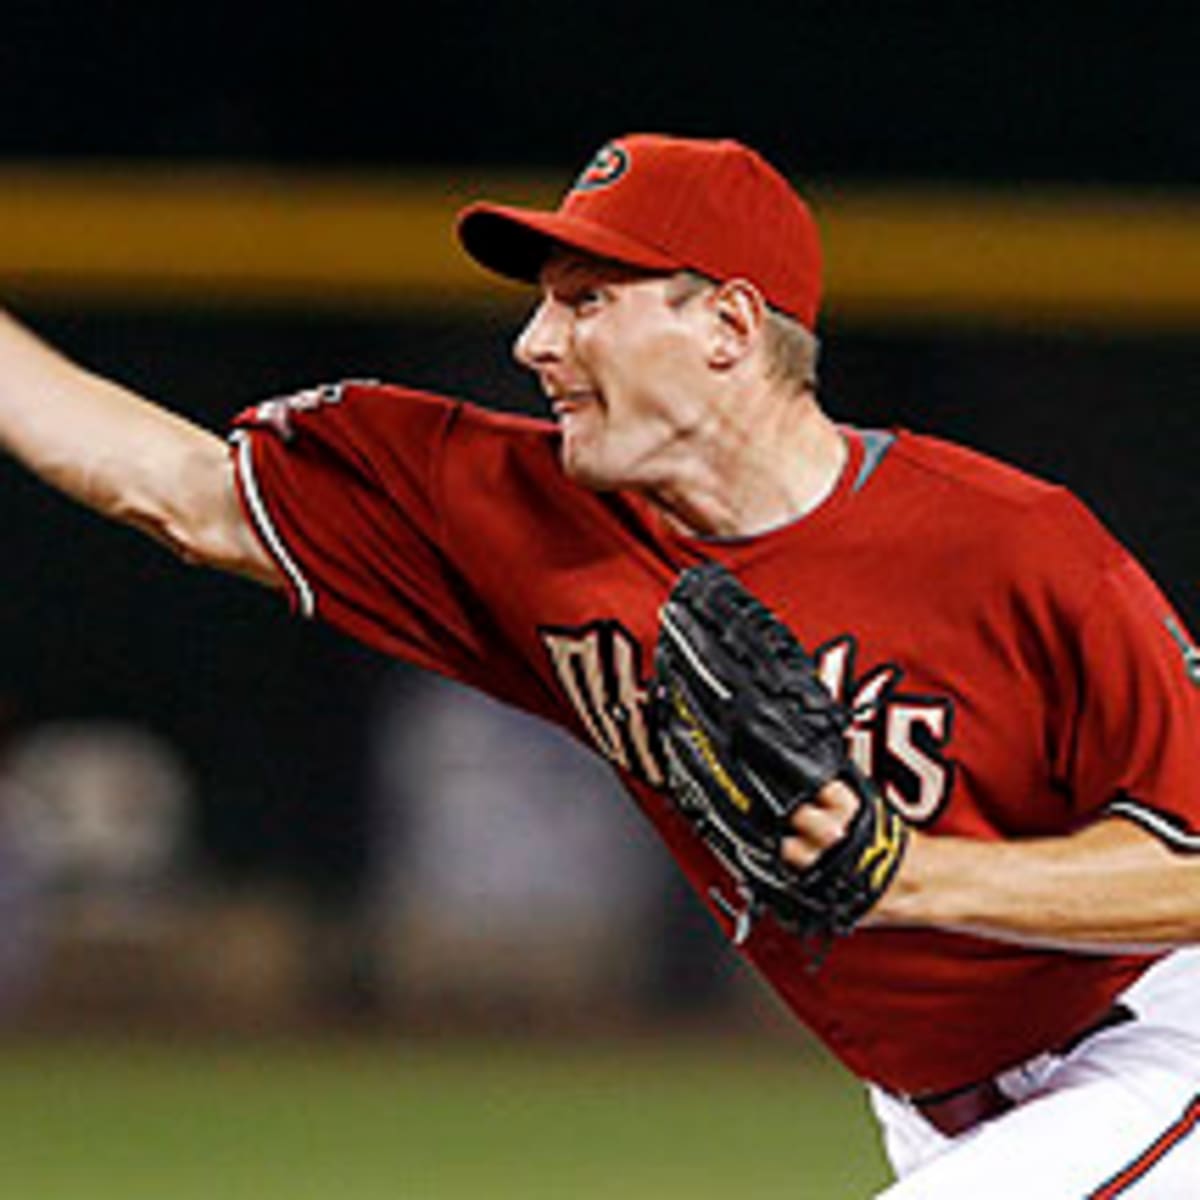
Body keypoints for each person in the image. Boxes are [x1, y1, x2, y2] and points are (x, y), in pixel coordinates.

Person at [3, 132, 1200, 1197]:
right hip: (935, 1115)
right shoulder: (526, 522)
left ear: (729, 327)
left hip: (1154, 1054)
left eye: (587, 301)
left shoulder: (1011, 544)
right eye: (544, 304)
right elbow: (174, 491)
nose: (535, 342)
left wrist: (915, 880)